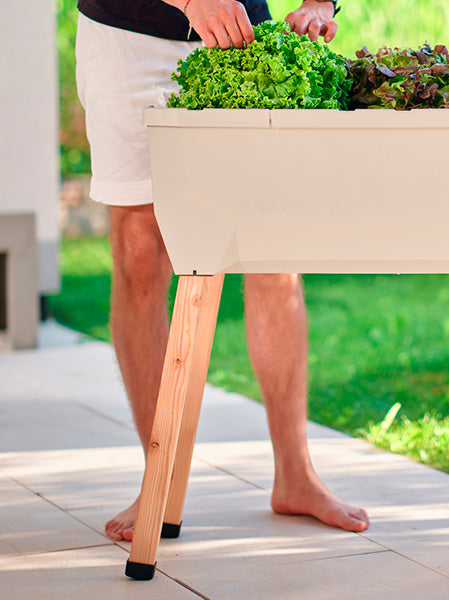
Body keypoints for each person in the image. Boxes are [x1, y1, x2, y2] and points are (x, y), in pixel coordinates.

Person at [74, 0, 369, 542]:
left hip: (243, 41)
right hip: (129, 38)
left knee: (272, 252)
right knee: (141, 253)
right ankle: (160, 480)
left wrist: (319, 3)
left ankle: (296, 476)